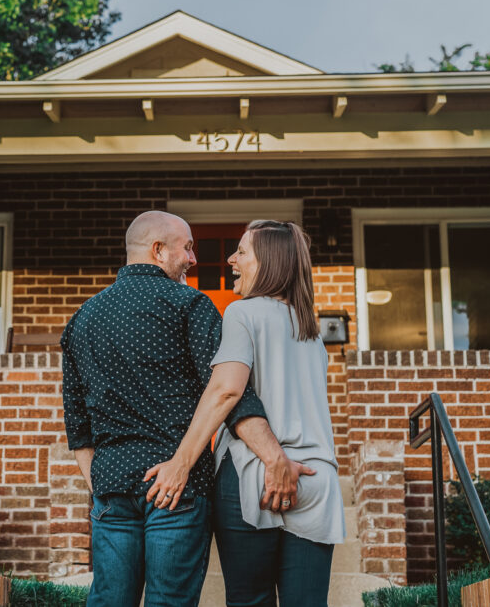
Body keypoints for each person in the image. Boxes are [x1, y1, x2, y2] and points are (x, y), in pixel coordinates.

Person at [61, 211, 313, 607]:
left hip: (111, 483)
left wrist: (101, 485)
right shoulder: (189, 305)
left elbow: (77, 425)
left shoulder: (81, 320)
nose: (194, 259)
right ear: (158, 251)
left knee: (109, 600)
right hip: (177, 488)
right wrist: (274, 457)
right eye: (188, 247)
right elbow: (230, 394)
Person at [144, 220, 345, 607]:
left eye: (242, 252)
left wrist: (181, 462)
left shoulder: (242, 313)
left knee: (249, 601)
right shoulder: (312, 332)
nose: (231, 259)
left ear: (268, 262)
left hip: (252, 476)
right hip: (316, 479)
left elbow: (226, 390)